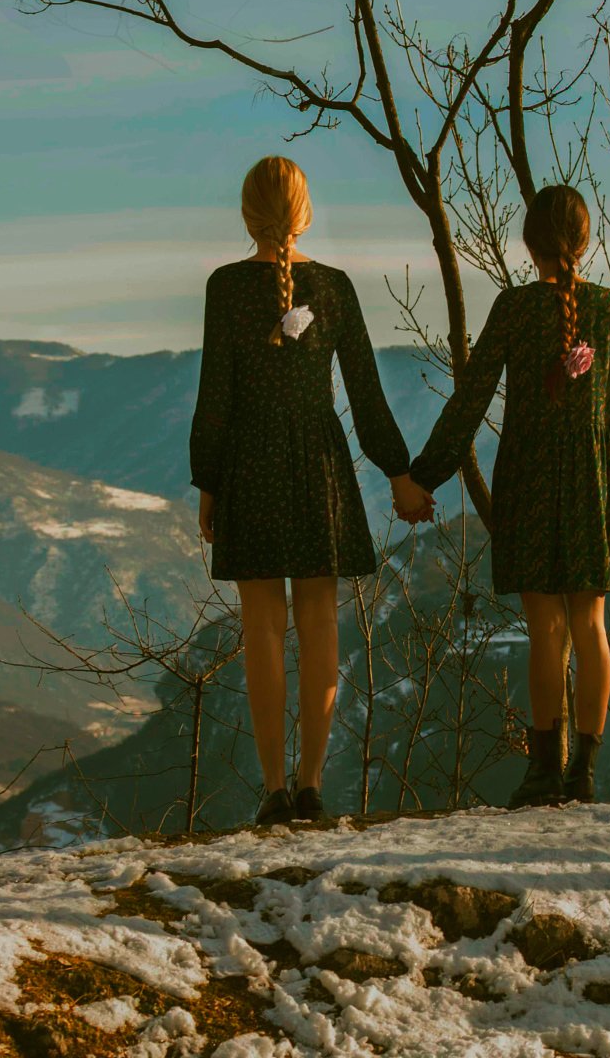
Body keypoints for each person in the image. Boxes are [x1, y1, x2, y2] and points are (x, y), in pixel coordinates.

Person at [190, 156, 436, 826]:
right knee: (322, 625)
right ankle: (310, 785)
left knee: (264, 631)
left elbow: (215, 396)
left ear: (248, 216)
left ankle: (272, 791)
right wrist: (400, 474)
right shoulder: (333, 288)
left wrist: (207, 481)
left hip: (250, 465)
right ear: (305, 214)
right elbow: (364, 392)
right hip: (321, 465)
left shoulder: (225, 289)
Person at [407, 185, 610, 806]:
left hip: (530, 483)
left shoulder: (513, 310)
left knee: (546, 629)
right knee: (591, 626)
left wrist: (422, 475)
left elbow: (470, 401)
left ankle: (544, 773)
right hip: (594, 484)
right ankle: (584, 774)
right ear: (586, 240)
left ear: (528, 244)